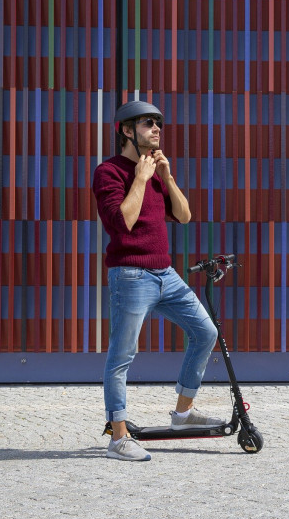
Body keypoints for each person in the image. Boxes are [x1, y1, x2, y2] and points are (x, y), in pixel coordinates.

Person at [92, 100, 224, 461]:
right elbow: (123, 223)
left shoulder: (156, 172)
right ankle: (118, 438)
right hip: (131, 276)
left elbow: (183, 216)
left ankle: (182, 414)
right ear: (126, 130)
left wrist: (166, 177)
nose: (157, 129)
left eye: (158, 124)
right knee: (122, 356)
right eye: (148, 123)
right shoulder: (109, 172)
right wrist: (140, 178)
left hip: (165, 273)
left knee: (206, 331)